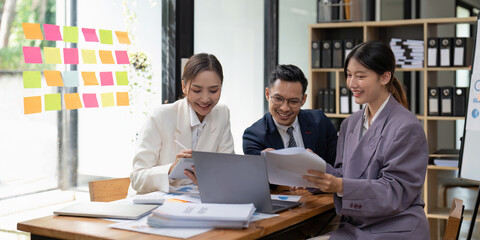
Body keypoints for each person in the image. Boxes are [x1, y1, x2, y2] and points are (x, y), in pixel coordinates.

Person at [303, 41, 429, 239]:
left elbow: (395, 192)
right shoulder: (350, 124)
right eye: (349, 75)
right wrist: (311, 166)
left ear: (385, 77)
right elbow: (345, 173)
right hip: (358, 226)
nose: (352, 83)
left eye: (360, 76)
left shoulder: (406, 126)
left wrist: (341, 186)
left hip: (394, 229)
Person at [131, 53, 234, 194]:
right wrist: (170, 169)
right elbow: (137, 178)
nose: (205, 99)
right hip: (157, 203)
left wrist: (209, 178)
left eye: (213, 90)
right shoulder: (160, 116)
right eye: (197, 90)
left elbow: (229, 169)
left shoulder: (221, 113)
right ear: (184, 87)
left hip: (199, 201)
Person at [243, 64, 337, 166]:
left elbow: (337, 167)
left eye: (293, 101)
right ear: (267, 94)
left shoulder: (320, 123)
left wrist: (318, 164)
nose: (285, 108)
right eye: (278, 99)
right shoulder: (253, 137)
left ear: (303, 100)